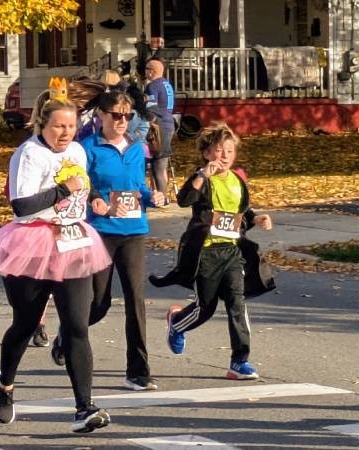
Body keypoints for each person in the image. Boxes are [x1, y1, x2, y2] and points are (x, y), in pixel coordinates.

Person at [0, 96, 113, 432]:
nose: (66, 132)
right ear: (42, 124)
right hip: (32, 242)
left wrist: (93, 198)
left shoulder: (76, 151)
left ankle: (84, 408)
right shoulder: (29, 154)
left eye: (71, 126)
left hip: (72, 241)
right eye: (58, 126)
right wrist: (64, 189)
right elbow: (21, 206)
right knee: (25, 324)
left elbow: (82, 186)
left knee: (77, 327)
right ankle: (5, 385)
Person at [149, 122, 275, 380]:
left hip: (231, 252)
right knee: (205, 307)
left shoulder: (237, 181)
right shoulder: (203, 179)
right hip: (205, 253)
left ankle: (239, 361)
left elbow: (240, 213)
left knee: (237, 304)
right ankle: (177, 323)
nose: (224, 156)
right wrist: (202, 176)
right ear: (207, 153)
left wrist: (257, 218)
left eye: (229, 151)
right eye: (219, 150)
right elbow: (184, 200)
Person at [73, 90, 168, 391]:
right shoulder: (87, 147)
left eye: (128, 115)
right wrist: (95, 199)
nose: (122, 121)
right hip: (101, 230)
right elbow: (80, 184)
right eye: (116, 115)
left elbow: (138, 185)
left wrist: (153, 197)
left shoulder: (137, 148)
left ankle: (138, 371)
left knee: (135, 300)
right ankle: (70, 334)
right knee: (98, 303)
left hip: (133, 230)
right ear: (101, 115)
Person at [144, 57, 176, 194]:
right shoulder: (167, 84)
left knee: (157, 166)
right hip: (169, 123)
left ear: (151, 71)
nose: (145, 72)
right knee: (163, 165)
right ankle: (163, 195)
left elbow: (151, 109)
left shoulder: (152, 86)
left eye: (146, 69)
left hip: (158, 127)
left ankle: (160, 197)